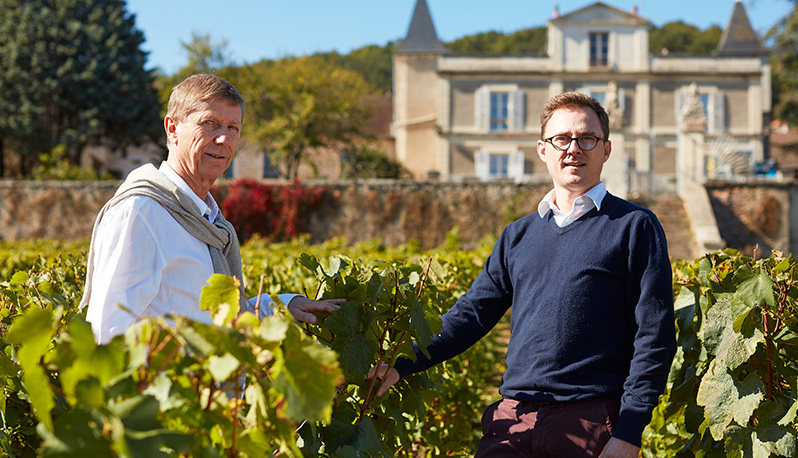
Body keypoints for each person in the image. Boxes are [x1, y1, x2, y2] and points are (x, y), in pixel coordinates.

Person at [369, 92, 676, 458]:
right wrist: (400, 364)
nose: (573, 149)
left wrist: (630, 432)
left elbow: (654, 335)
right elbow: (470, 316)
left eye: (587, 139)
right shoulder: (518, 234)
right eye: (561, 139)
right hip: (513, 418)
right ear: (543, 150)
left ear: (605, 149)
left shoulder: (634, 227)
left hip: (592, 421)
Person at [80, 74, 342, 344]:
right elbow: (105, 333)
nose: (223, 139)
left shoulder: (208, 220)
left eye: (233, 128)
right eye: (210, 123)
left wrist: (280, 305)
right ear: (172, 129)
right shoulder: (140, 213)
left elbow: (209, 317)